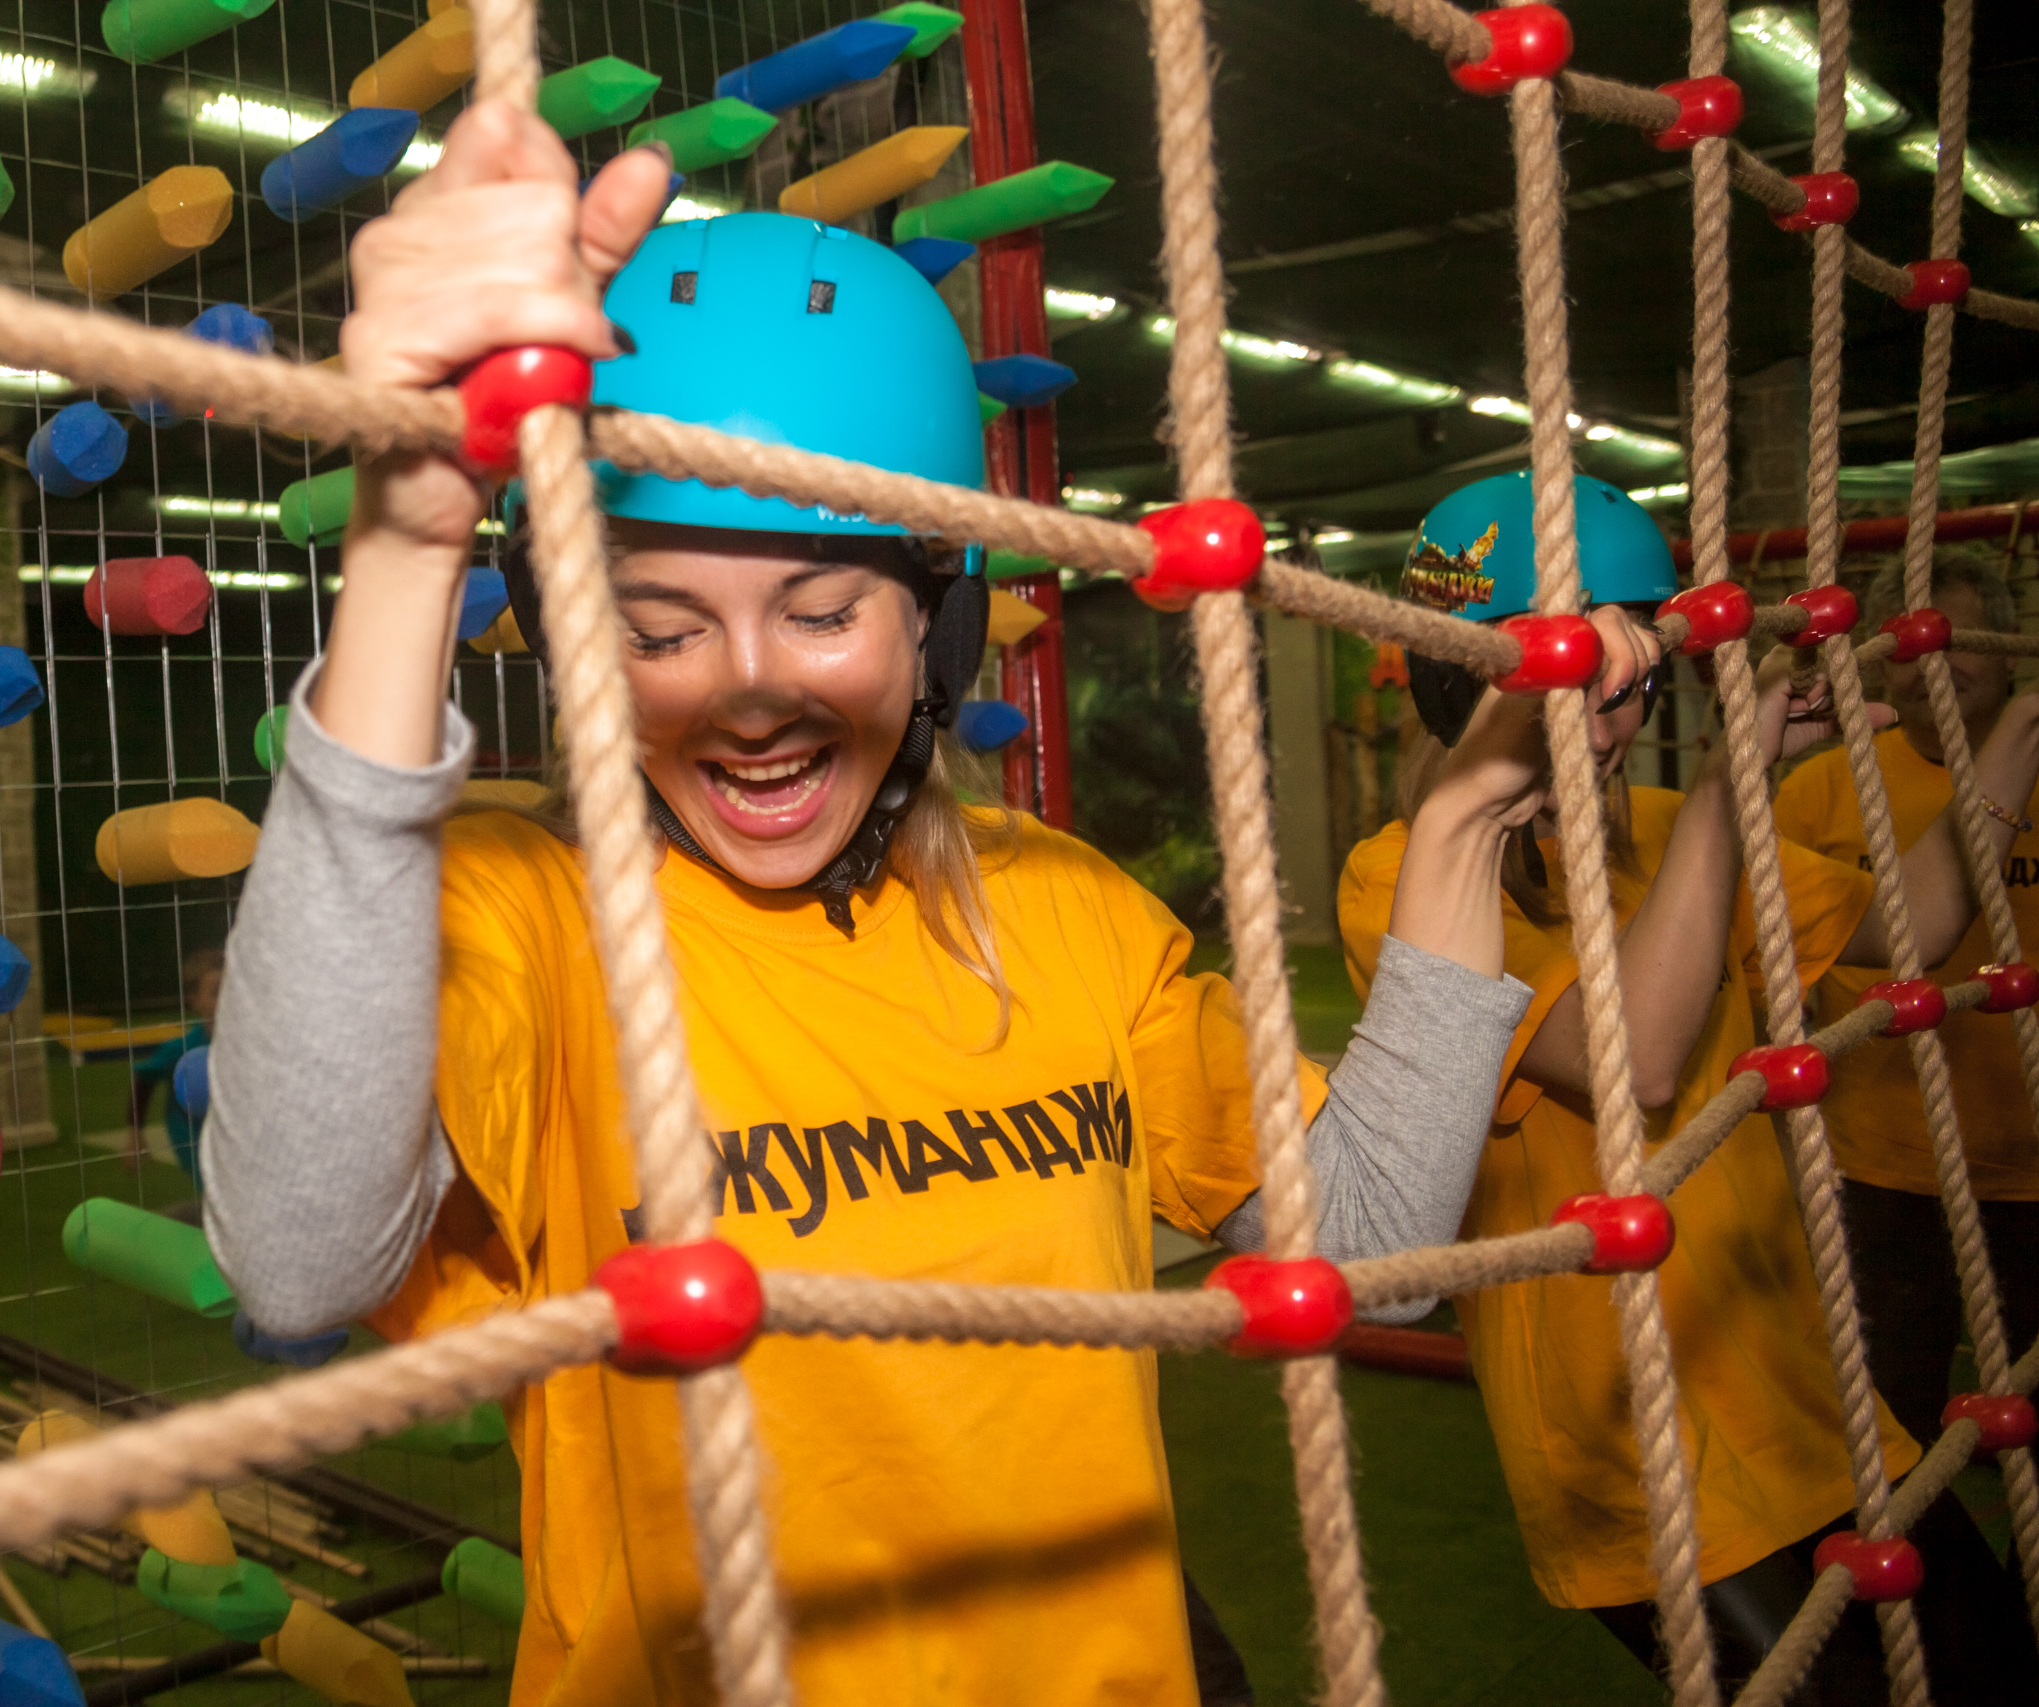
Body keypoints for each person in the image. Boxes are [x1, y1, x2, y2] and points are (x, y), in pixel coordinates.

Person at [207, 101, 1573, 1707]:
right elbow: (297, 1260)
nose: (750, 689)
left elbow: (1377, 1245)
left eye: (820, 610)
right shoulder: (525, 920)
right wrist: (407, 540)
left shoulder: (1055, 907)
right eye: (658, 627)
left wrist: (1468, 813)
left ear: (938, 626)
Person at [1339, 476, 2039, 1705]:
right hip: (1634, 1452)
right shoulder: (1402, 882)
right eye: (1573, 681)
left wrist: (2013, 742)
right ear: (1459, 683)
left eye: (1630, 684)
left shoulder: (1660, 826)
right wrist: (1732, 787)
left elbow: (1918, 925)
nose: (1609, 722)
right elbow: (1639, 1064)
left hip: (1812, 1407)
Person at [1772, 550, 2039, 1447]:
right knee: (1891, 1430)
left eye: (1958, 640)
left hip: (2031, 1164)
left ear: (2007, 650)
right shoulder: (1820, 788)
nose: (1936, 663)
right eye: (1914, 645)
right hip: (1883, 1169)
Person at [129, 945, 221, 1189]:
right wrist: (135, 1135)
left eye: (231, 990)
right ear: (194, 1000)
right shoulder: (180, 1049)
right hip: (191, 1136)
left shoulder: (246, 1044)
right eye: (216, 992)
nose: (226, 999)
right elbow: (144, 1079)